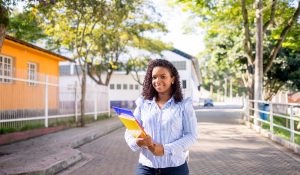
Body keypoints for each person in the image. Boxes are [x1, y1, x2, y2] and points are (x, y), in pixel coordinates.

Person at [124, 59, 198, 175]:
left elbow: (191, 136)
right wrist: (138, 142)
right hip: (147, 167)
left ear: (172, 79)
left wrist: (165, 149)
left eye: (163, 76)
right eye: (154, 77)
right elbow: (130, 131)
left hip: (175, 167)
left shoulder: (184, 105)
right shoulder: (143, 103)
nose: (157, 81)